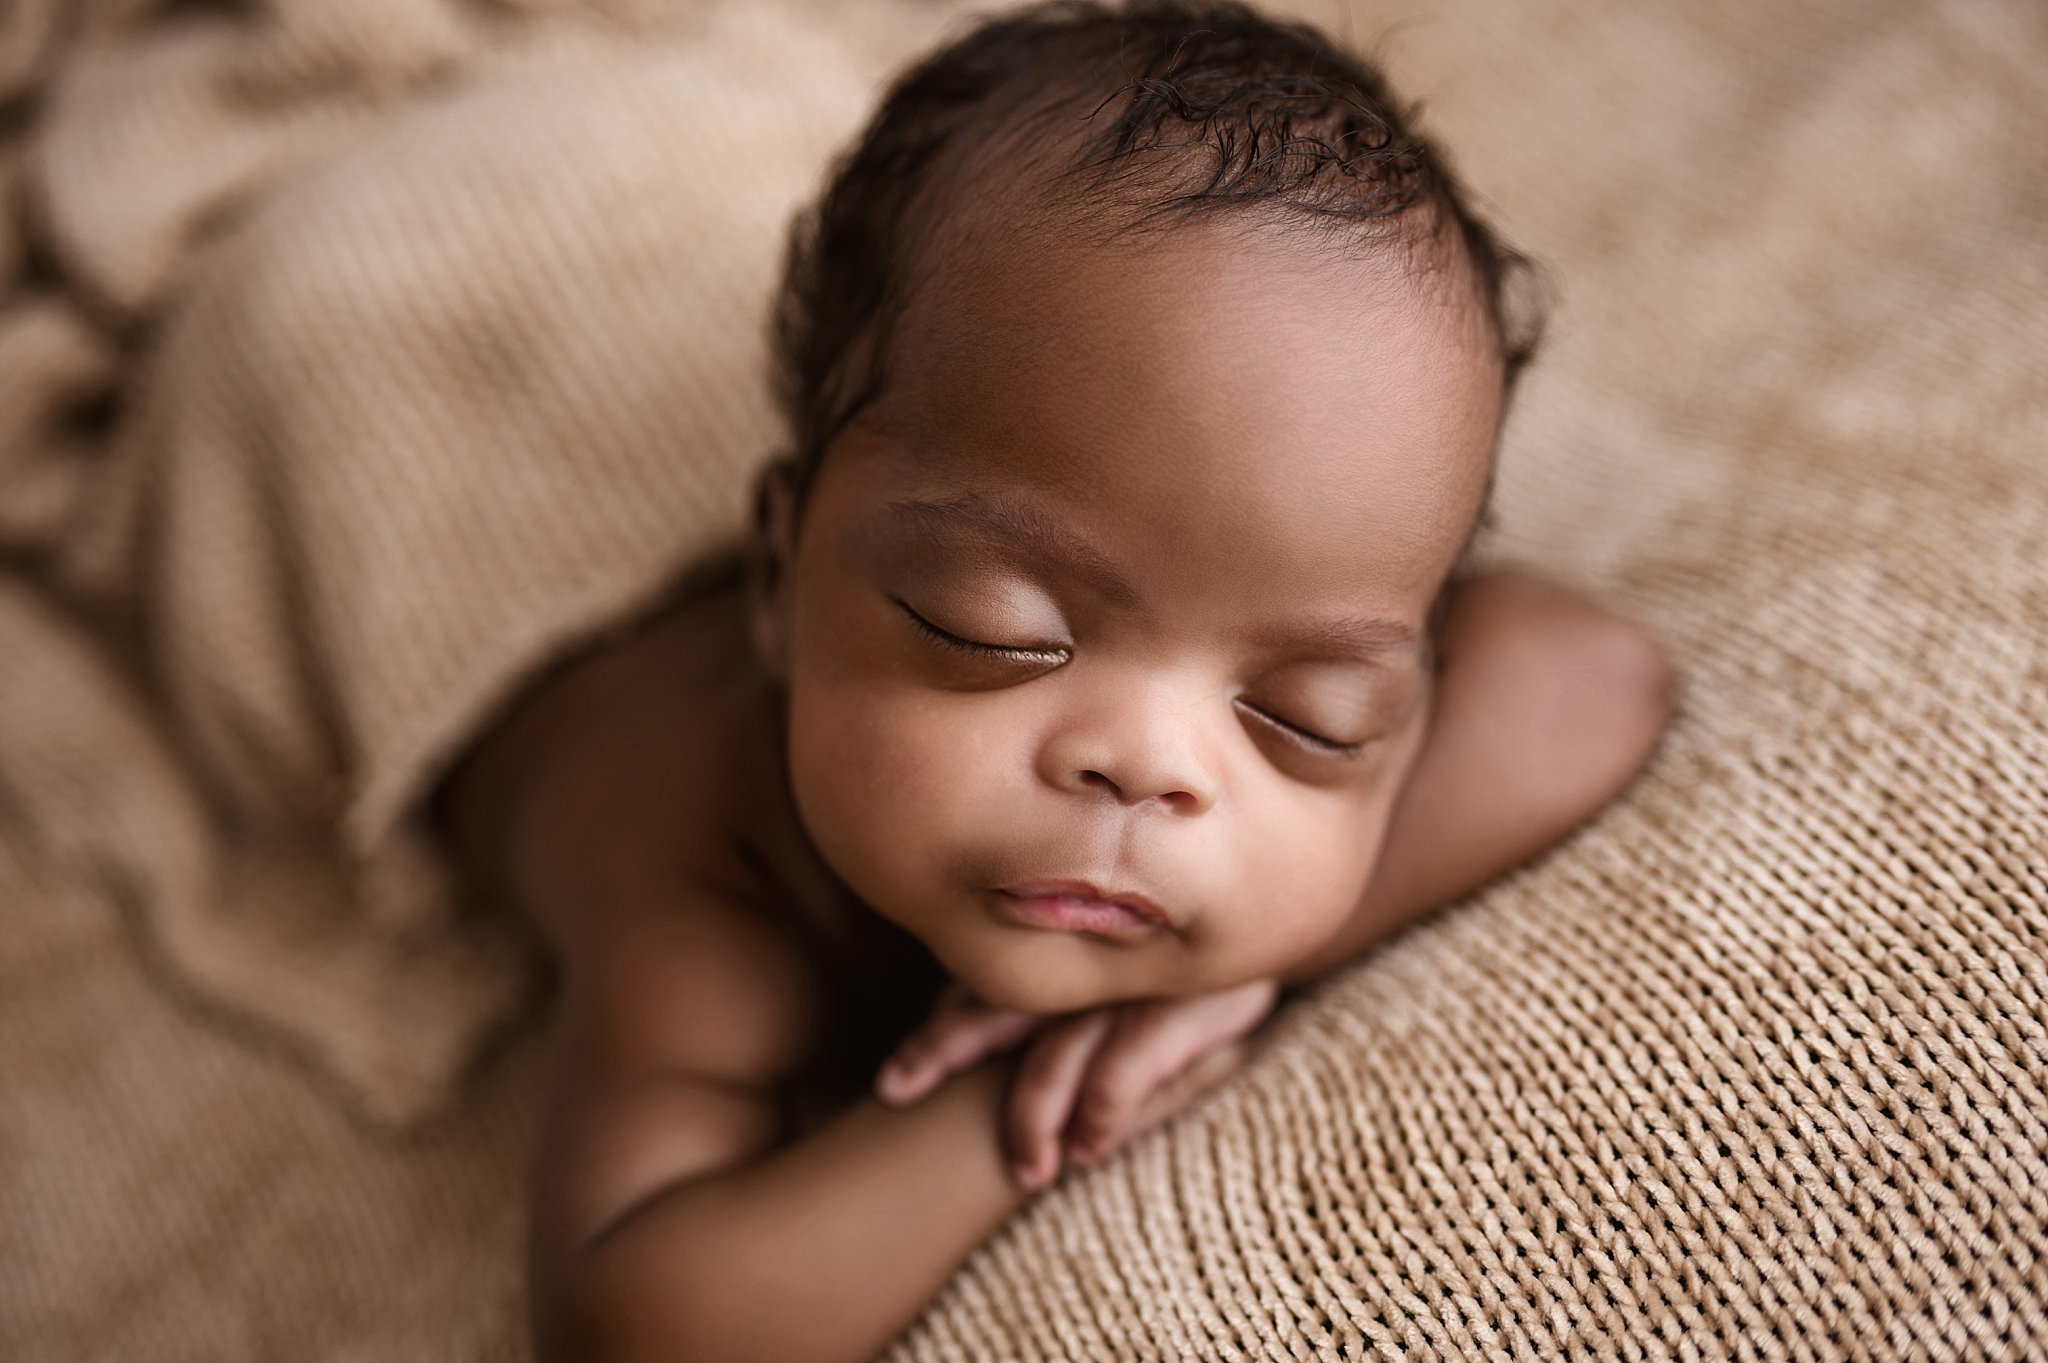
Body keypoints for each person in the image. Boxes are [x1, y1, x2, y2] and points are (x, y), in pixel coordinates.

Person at [435, 2, 1674, 1359]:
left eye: (1308, 718)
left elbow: (1590, 677)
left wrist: (1235, 964)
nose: (1148, 765)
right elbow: (640, 1324)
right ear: (780, 579)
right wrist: (1027, 1099)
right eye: (995, 634)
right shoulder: (712, 884)